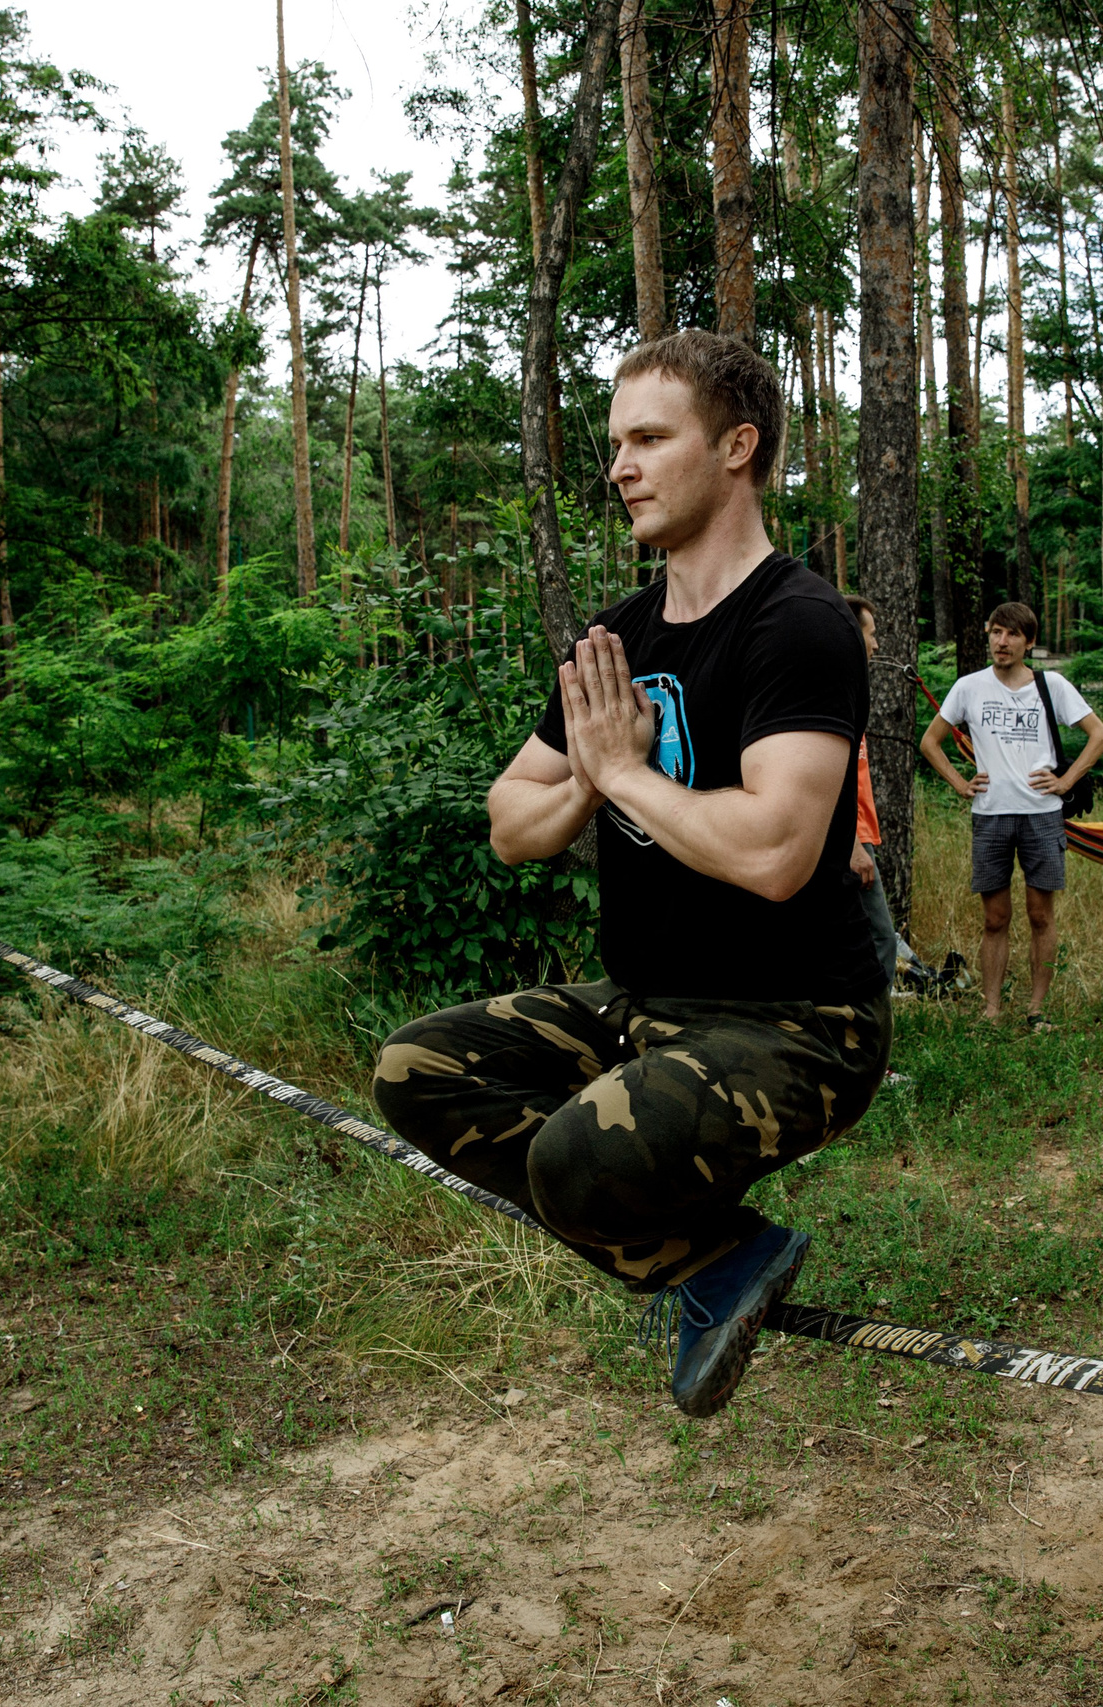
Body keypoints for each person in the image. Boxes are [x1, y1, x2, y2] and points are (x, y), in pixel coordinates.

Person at [372, 330, 890, 1417]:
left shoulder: (799, 627)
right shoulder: (618, 636)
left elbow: (773, 854)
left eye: (649, 439)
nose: (619, 467)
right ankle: (716, 1261)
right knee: (418, 1071)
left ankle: (697, 1253)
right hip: (644, 1007)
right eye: (615, 444)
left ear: (738, 446)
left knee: (571, 1164)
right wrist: (594, 784)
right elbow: (512, 823)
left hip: (798, 1025)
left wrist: (617, 769)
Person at [919, 603, 1103, 1029]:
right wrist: (959, 783)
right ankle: (991, 1009)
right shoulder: (970, 687)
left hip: (1041, 814)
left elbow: (1100, 736)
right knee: (995, 917)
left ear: (1029, 642)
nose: (1001, 642)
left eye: (1011, 635)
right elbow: (930, 742)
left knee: (1041, 914)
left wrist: (1064, 783)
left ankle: (1036, 1009)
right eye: (995, 632)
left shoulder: (1052, 685)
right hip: (990, 814)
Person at [844, 594, 901, 987]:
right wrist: (851, 843)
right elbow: (822, 781)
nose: (877, 644)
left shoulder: (851, 686)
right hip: (850, 843)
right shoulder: (832, 690)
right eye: (871, 634)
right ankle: (868, 1030)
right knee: (880, 936)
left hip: (861, 836)